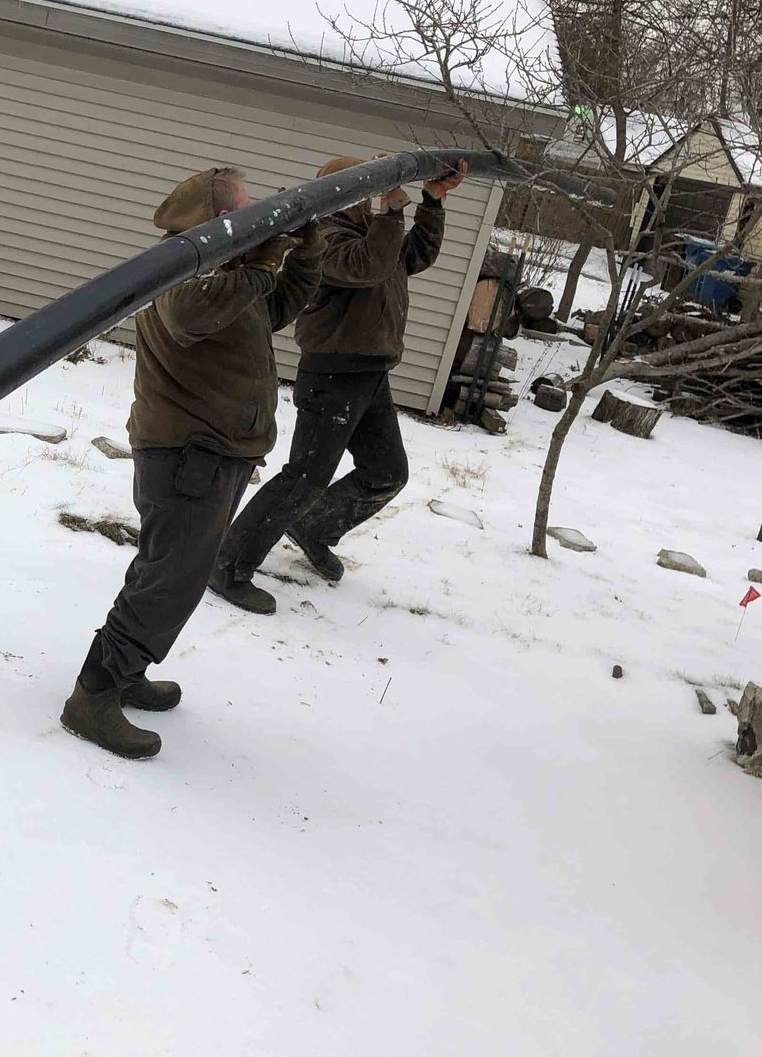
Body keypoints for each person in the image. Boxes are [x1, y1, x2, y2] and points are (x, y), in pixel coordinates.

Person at [62, 166, 323, 759]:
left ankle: (121, 672)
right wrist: (258, 264)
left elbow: (275, 307)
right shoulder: (182, 268)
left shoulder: (226, 274)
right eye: (244, 209)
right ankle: (93, 694)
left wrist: (304, 251)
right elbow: (188, 317)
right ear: (213, 220)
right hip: (187, 454)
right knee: (170, 578)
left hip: (211, 450)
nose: (256, 216)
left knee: (167, 572)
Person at [208, 156, 468, 612]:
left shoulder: (370, 231)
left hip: (370, 375)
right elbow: (368, 266)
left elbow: (415, 256)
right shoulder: (326, 236)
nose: (369, 200)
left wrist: (432, 201)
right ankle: (227, 564)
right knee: (304, 477)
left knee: (386, 472)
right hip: (332, 375)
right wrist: (391, 213)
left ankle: (315, 528)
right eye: (364, 192)